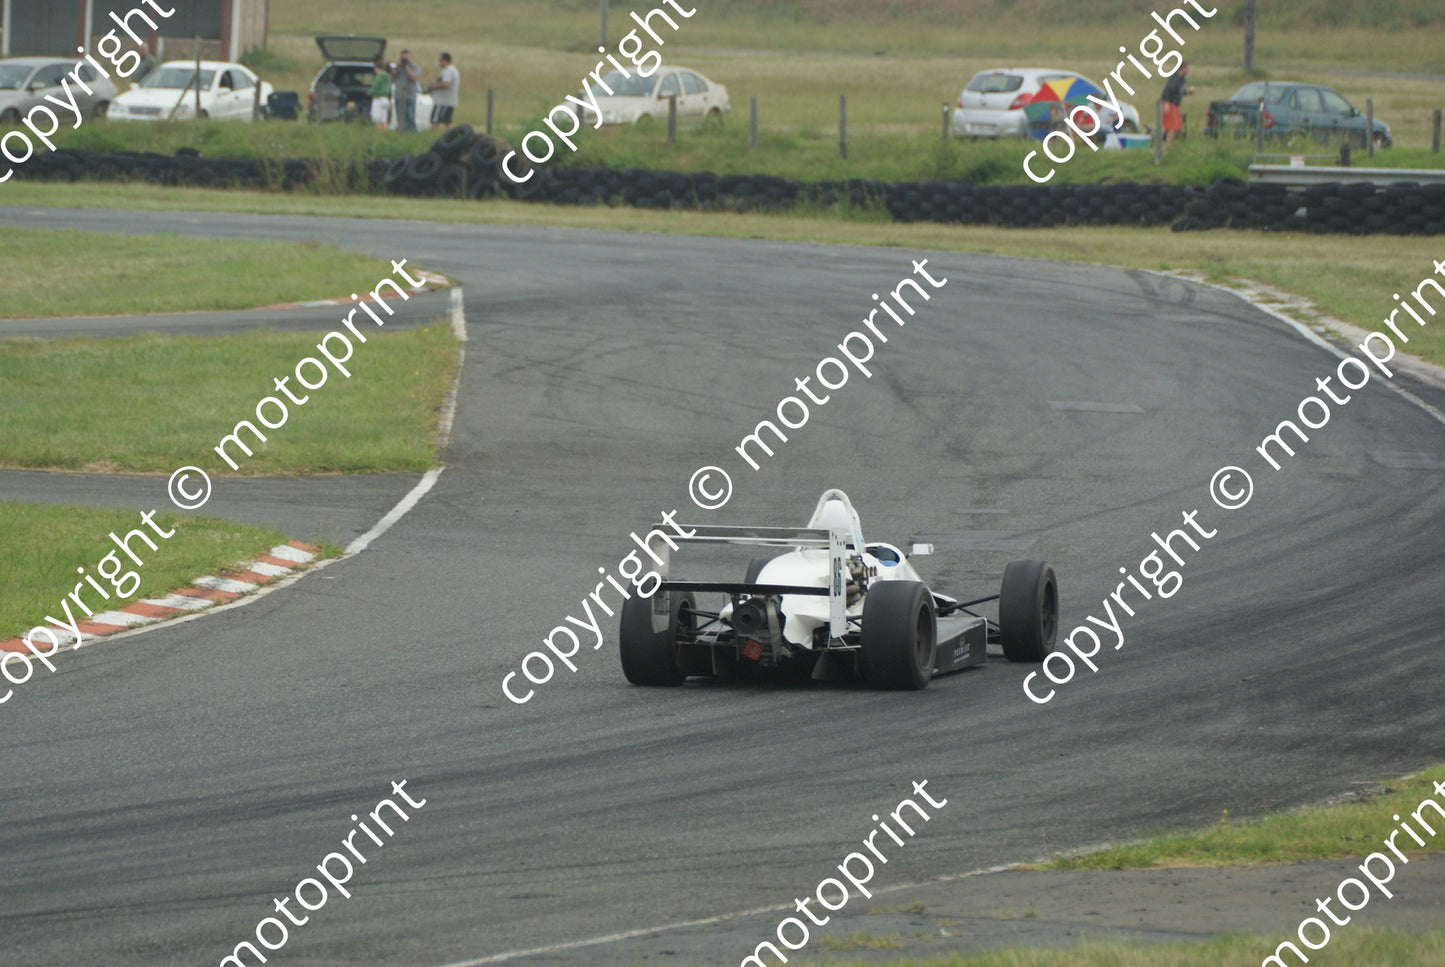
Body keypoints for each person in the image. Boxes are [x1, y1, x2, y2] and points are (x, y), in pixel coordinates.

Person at [1160, 61, 1194, 145]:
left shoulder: (1182, 79)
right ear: (1182, 68)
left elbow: (1178, 91)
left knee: (1178, 127)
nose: (1188, 70)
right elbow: (1167, 90)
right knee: (1173, 127)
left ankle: (1170, 143)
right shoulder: (1174, 78)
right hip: (1169, 104)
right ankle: (1167, 145)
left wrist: (1187, 92)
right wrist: (1166, 104)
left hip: (1175, 105)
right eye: (1187, 68)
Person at [428, 52, 460, 131]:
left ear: (445, 60)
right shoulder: (453, 70)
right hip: (449, 101)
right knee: (447, 121)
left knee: (435, 120)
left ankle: (433, 136)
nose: (439, 62)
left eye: (440, 60)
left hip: (443, 101)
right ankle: (454, 135)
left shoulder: (448, 71)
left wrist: (435, 86)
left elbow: (446, 84)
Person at [392, 49, 421, 133]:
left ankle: (412, 133)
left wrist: (406, 67)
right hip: (398, 95)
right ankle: (401, 132)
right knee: (400, 116)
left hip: (410, 95)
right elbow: (391, 77)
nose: (404, 59)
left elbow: (414, 78)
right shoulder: (397, 67)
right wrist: (397, 67)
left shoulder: (414, 67)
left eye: (406, 57)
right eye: (403, 57)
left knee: (410, 116)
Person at [368, 57, 392, 130]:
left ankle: (379, 134)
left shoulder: (378, 77)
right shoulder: (387, 76)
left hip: (378, 100)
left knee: (376, 119)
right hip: (385, 99)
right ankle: (386, 135)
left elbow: (374, 88)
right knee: (383, 120)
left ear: (377, 68)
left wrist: (369, 92)